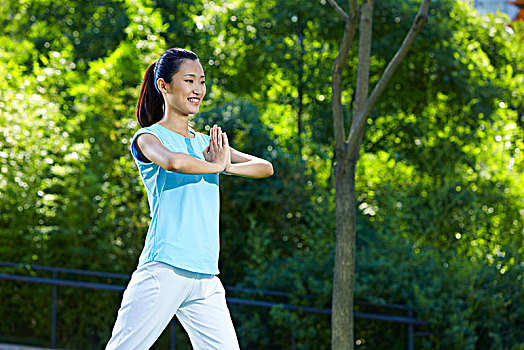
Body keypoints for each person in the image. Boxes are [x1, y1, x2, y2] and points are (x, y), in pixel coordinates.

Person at [105, 48, 274, 350]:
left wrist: (227, 165)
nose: (197, 89)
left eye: (202, 81)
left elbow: (265, 167)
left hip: (206, 275)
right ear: (164, 86)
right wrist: (215, 165)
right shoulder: (148, 138)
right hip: (165, 268)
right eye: (189, 80)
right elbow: (174, 162)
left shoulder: (206, 143)